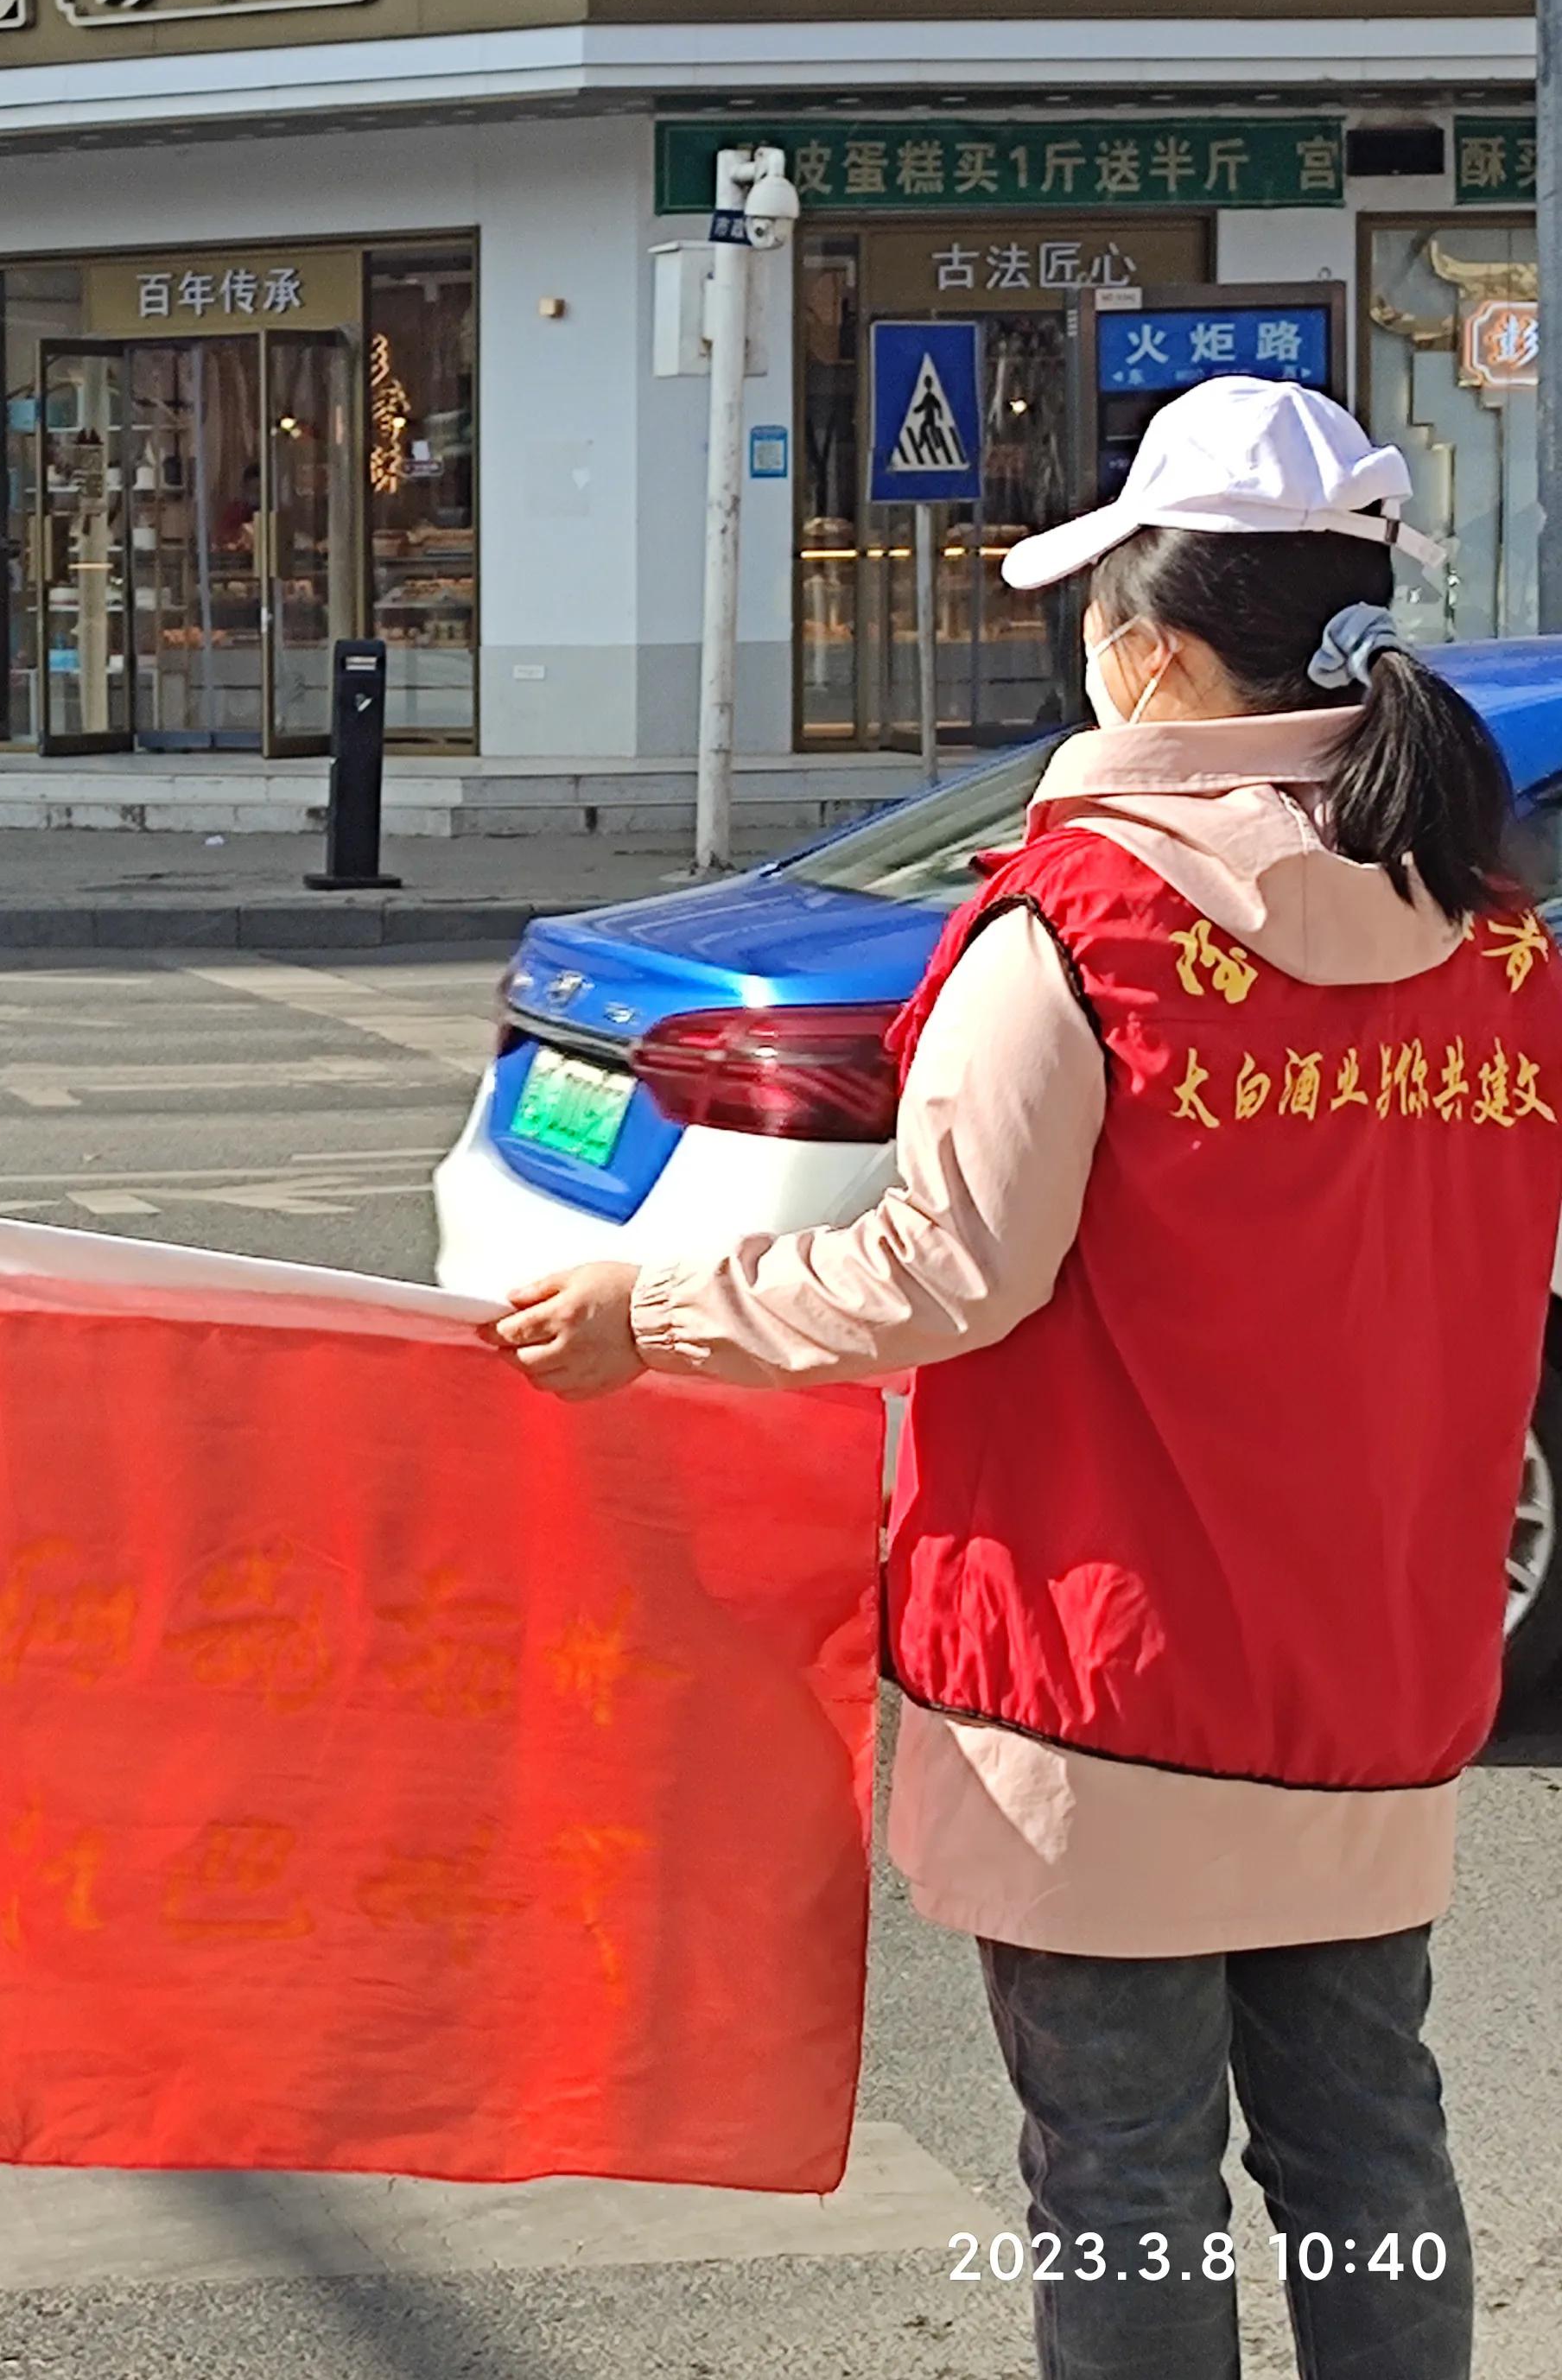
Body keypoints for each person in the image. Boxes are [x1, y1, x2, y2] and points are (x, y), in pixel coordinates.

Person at [490, 378, 1562, 2380]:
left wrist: (654, 1316)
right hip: (1376, 1670)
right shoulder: (1498, 950)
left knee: (1122, 2188)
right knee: (1366, 2158)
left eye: (1089, 618)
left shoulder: (1076, 929)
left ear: (1148, 653)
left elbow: (938, 1273)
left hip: (1104, 1686)